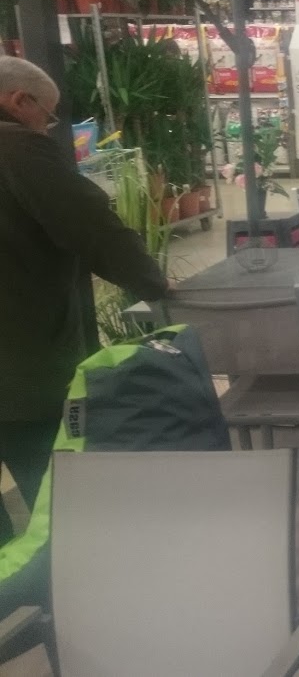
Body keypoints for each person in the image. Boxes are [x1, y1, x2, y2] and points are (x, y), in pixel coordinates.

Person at [0, 57, 168, 543]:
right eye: (48, 115)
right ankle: (67, 573)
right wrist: (153, 283)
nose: (46, 126)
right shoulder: (18, 149)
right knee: (53, 489)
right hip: (21, 361)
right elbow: (90, 226)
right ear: (20, 101)